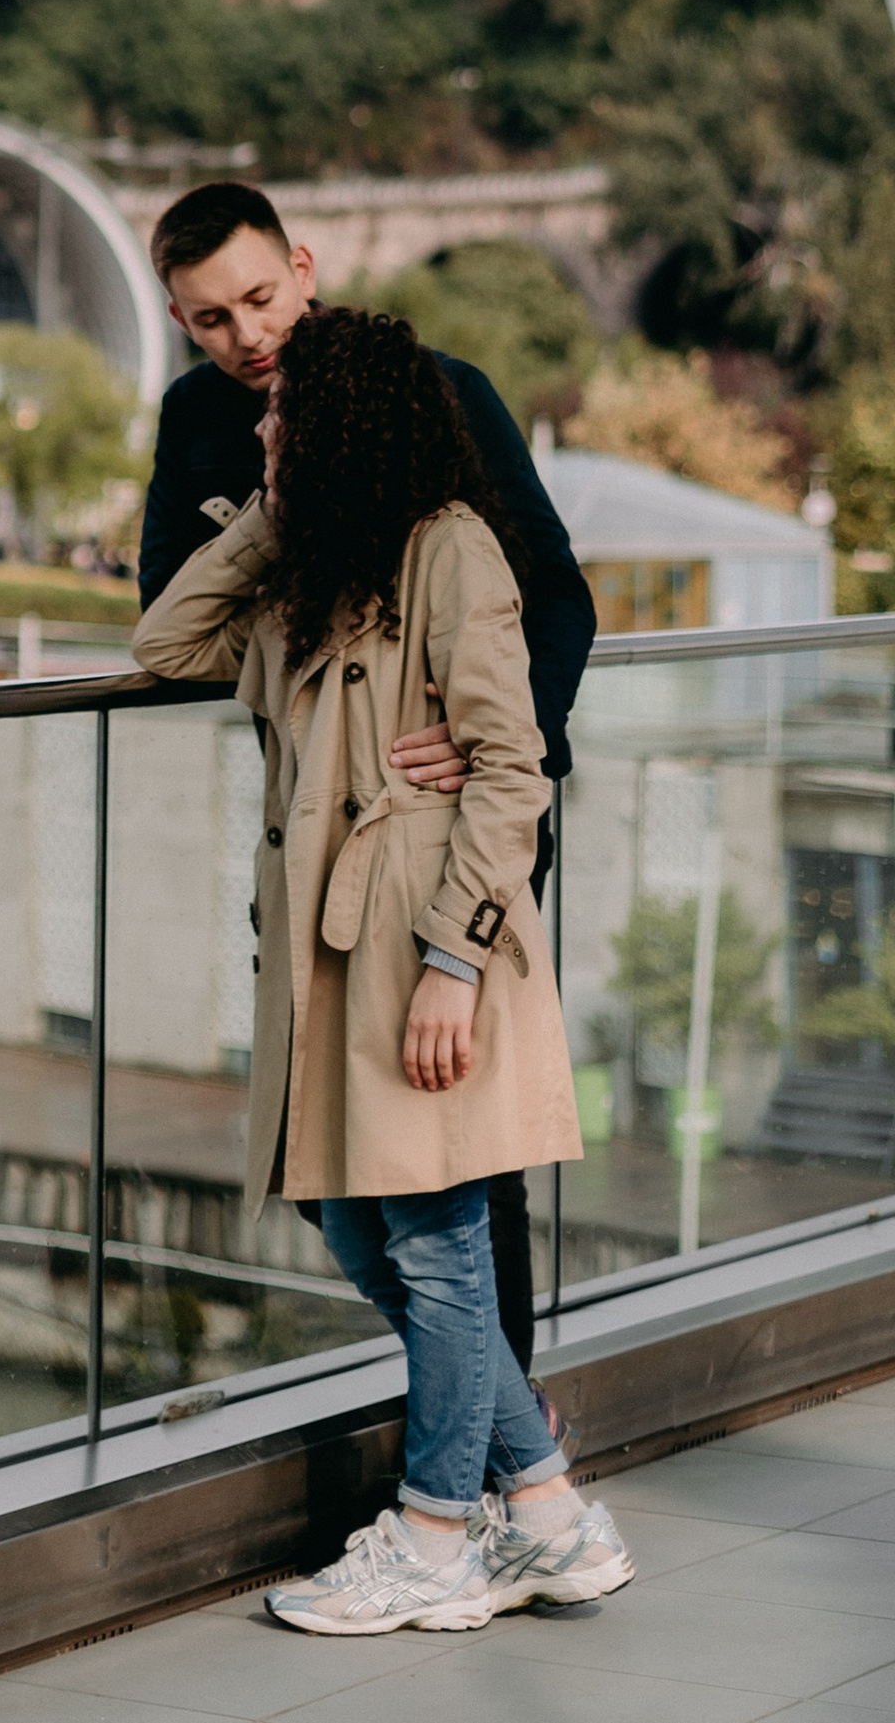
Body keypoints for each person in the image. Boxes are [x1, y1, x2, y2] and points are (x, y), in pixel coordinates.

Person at [132, 303, 632, 1632]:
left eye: (286, 414)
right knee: (351, 1216)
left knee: (437, 1238)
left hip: (420, 937)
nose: (261, 427)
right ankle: (543, 1503)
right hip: (322, 949)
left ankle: (433, 1536)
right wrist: (268, 514)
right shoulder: (316, 564)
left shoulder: (447, 552)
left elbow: (511, 763)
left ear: (344, 420)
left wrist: (454, 967)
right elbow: (164, 641)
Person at [137, 181, 593, 1386]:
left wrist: (502, 734)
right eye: (208, 318)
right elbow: (167, 620)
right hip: (312, 836)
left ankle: (491, 1472)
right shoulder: (195, 422)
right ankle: (507, 1444)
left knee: (459, 1168)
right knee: (322, 1156)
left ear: (303, 262)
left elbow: (551, 591)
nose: (244, 334)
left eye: (256, 296)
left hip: (450, 818)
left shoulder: (430, 390)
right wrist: (274, 516)